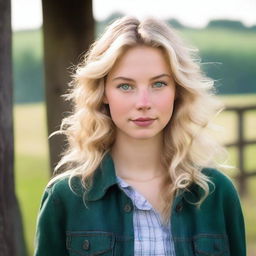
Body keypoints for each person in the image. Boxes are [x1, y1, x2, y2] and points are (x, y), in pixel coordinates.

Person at [34, 16, 246, 256]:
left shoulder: (217, 194)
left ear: (177, 90)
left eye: (158, 84)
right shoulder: (65, 198)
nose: (143, 103)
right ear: (103, 92)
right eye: (125, 86)